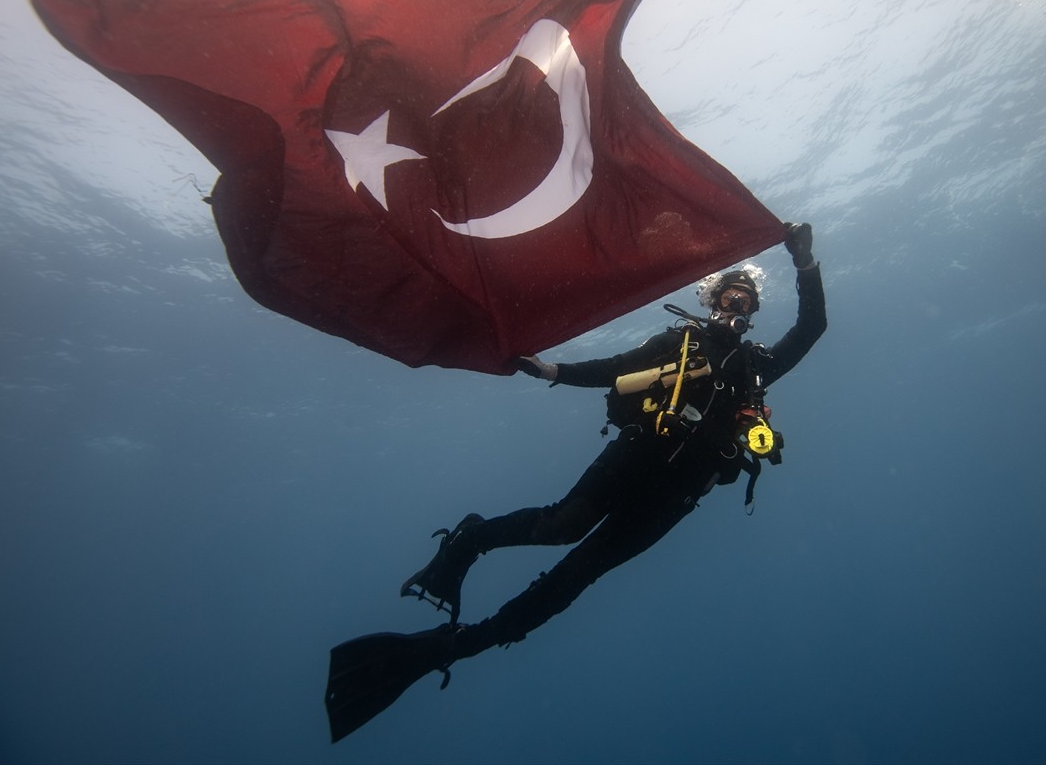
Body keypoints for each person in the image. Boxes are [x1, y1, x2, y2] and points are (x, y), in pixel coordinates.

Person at [325, 223, 827, 742]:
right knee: (562, 526)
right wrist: (551, 371)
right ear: (712, 299)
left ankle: (460, 644)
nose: (736, 307)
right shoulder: (681, 341)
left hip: (680, 491)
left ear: (752, 314)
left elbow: (812, 327)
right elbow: (614, 368)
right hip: (636, 454)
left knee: (582, 572)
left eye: (745, 303)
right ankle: (470, 540)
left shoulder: (756, 367)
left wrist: (805, 263)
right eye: (729, 296)